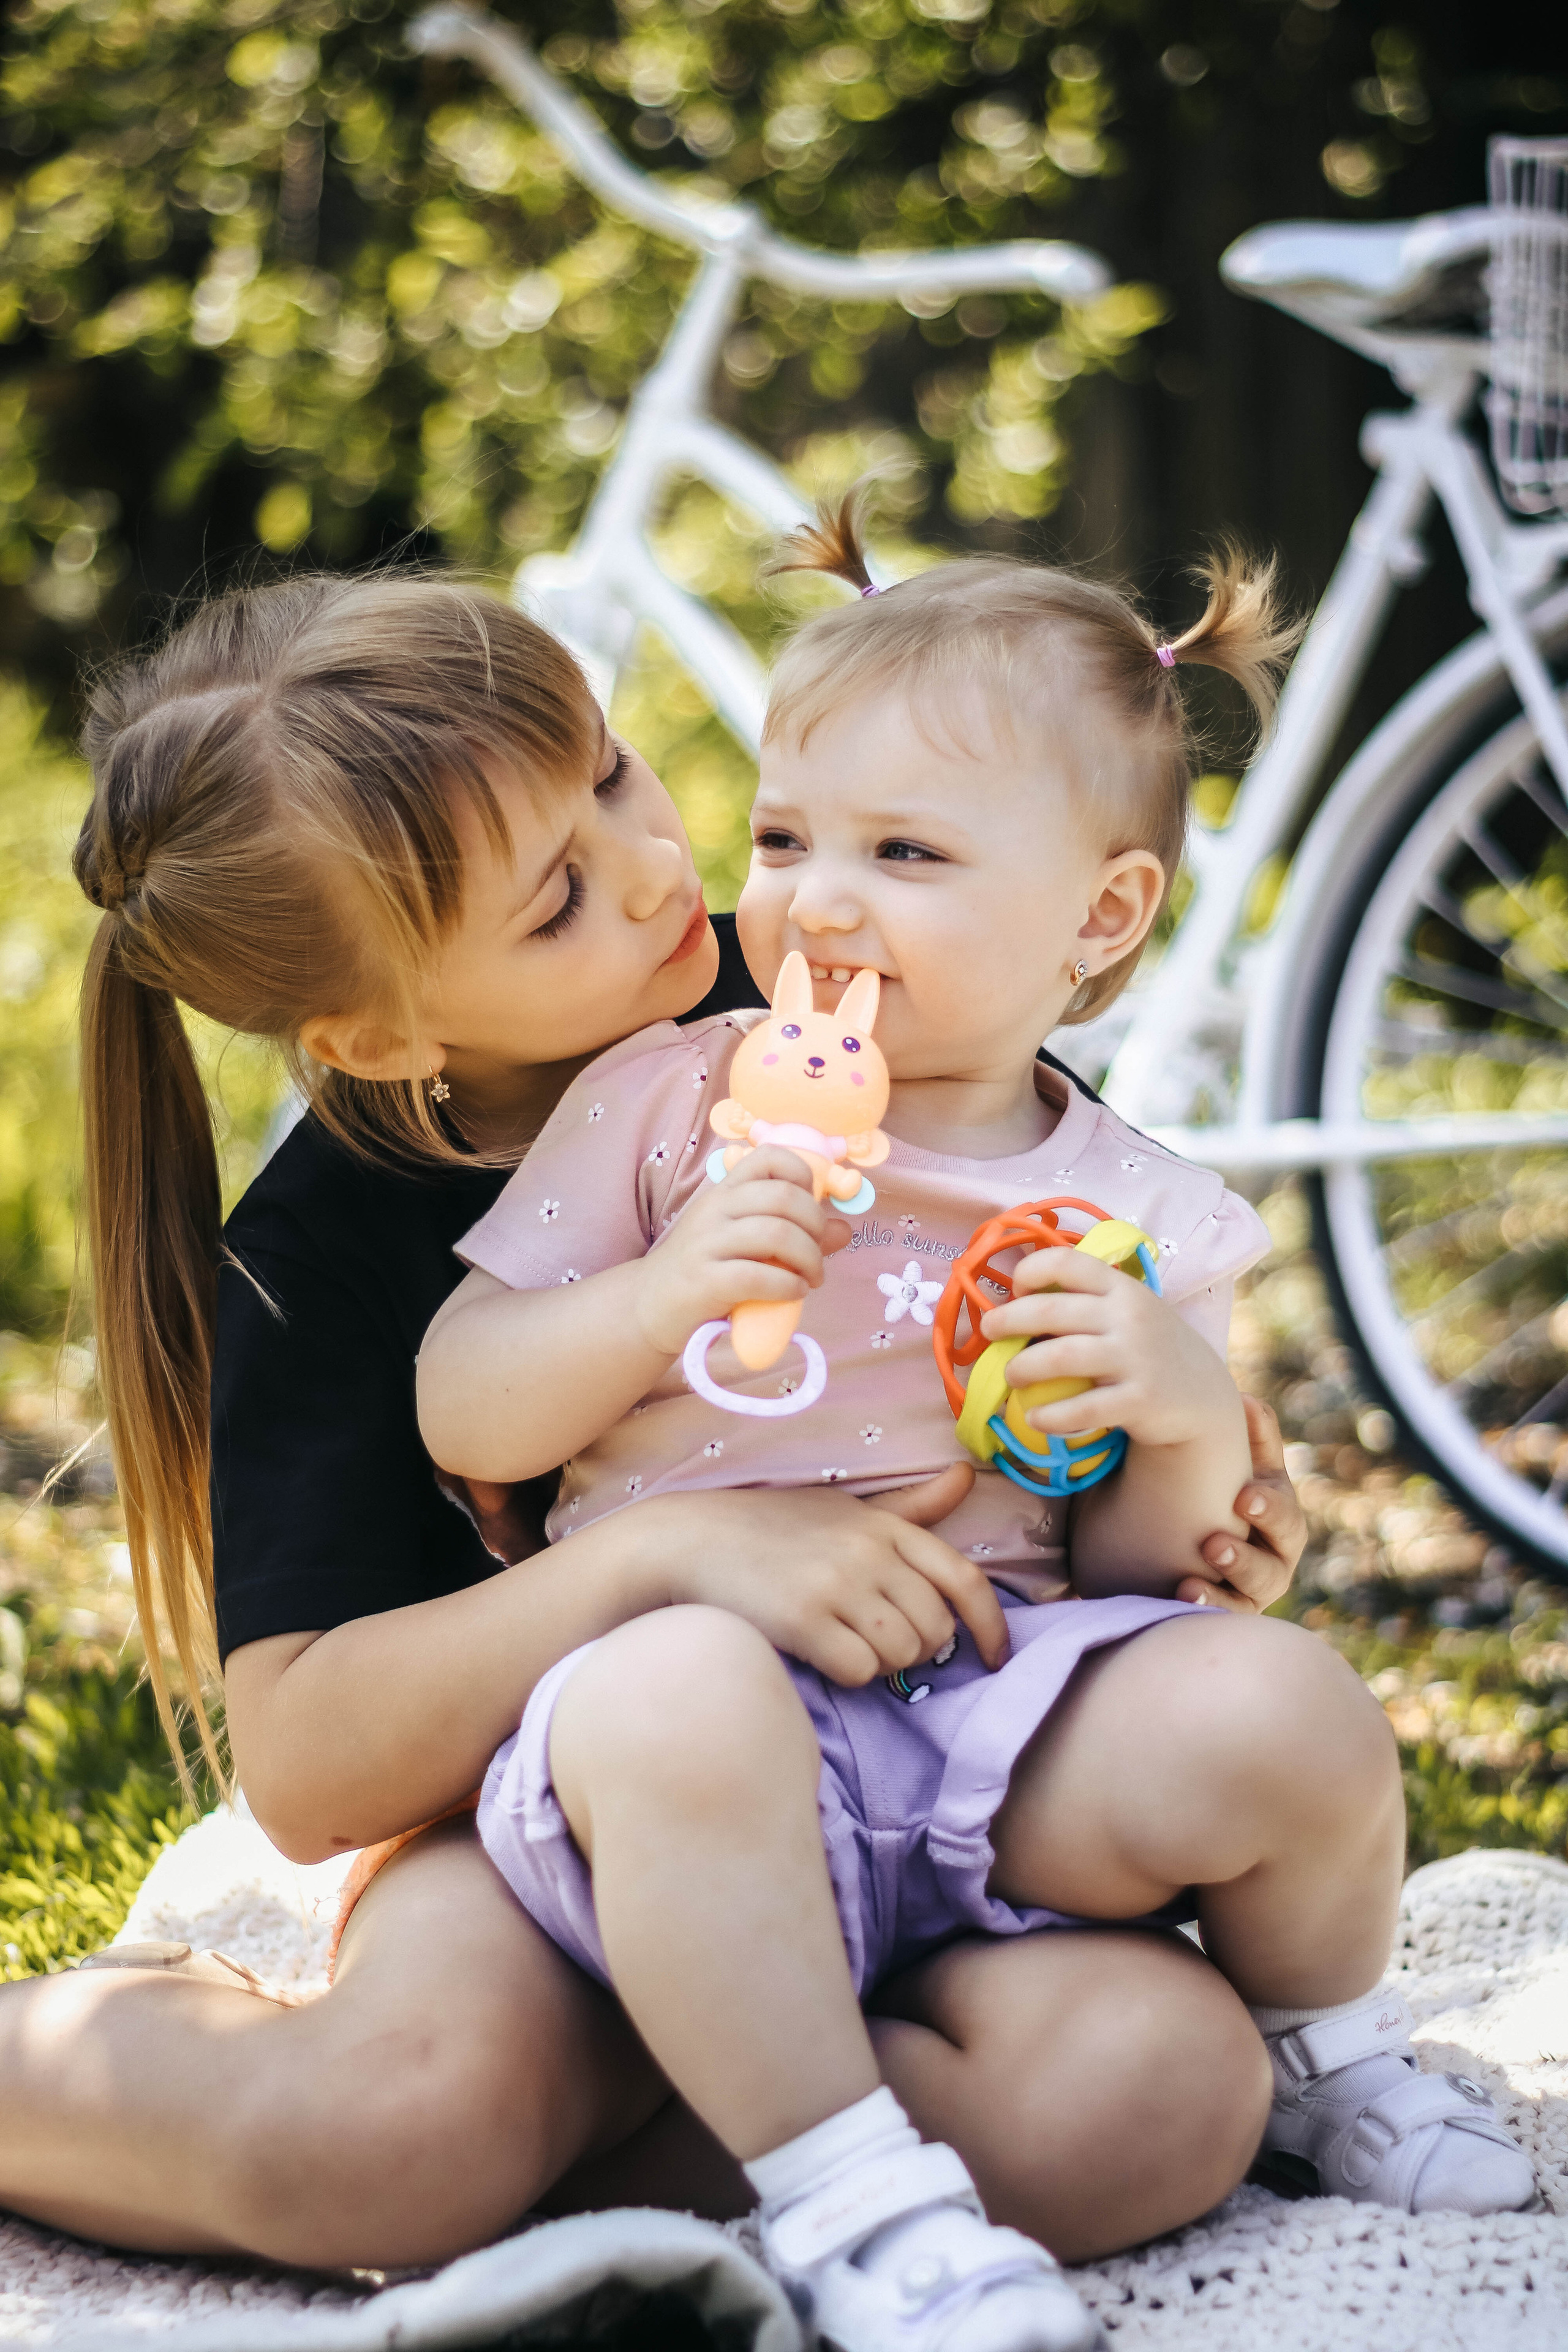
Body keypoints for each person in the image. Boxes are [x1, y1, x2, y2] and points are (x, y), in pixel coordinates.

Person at [0, 573, 1302, 2276]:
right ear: (383, 1031)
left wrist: (1205, 1488)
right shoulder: (320, 1250)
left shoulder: (855, 1013)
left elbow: (1085, 1387)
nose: (659, 868)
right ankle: (474, 2127)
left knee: (1157, 2093)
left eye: (614, 772)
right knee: (392, 2135)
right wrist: (670, 1556)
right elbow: (309, 1772)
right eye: (556, 900)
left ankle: (705, 2143)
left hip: (932, 1775)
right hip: (538, 1847)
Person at [417, 513, 1535, 2350]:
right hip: (691, 1748)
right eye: (788, 838)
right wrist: (662, 1292)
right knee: (676, 1691)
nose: (816, 904)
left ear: (1101, 916)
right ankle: (859, 2207)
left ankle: (1333, 2054)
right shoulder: (669, 1105)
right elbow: (464, 1403)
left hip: (994, 1739)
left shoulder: (1137, 1214)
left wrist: (1180, 1416)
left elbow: (1147, 1582)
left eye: (907, 853)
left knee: (1285, 1706)